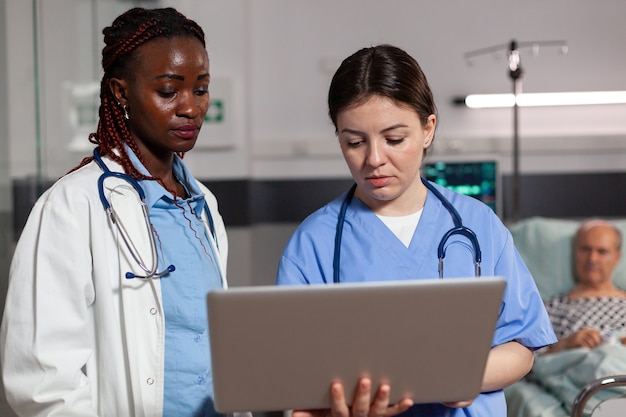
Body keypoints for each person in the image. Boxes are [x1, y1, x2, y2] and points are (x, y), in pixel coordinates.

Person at [0, 8, 400, 417]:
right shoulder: (73, 207)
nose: (190, 108)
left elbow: (206, 347)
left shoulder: (201, 205)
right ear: (121, 92)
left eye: (201, 89)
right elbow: (42, 383)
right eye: (169, 91)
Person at [276, 44, 557, 417]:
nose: (374, 159)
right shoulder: (314, 242)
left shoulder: (477, 224)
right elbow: (293, 374)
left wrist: (465, 377)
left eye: (394, 139)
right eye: (354, 142)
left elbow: (522, 343)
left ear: (428, 129)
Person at [543, 219, 626, 353]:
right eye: (585, 249)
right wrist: (567, 343)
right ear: (575, 252)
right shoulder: (552, 308)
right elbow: (533, 363)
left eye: (602, 252)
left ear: (617, 257)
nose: (592, 259)